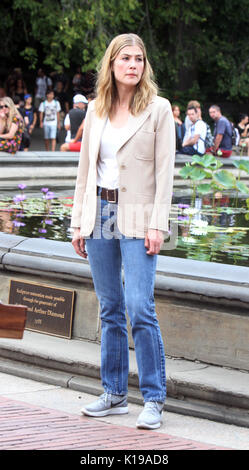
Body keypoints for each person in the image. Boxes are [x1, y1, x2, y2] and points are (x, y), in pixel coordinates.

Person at [71, 33, 175, 430]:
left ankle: (153, 398)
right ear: (112, 64)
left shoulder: (159, 109)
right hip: (99, 211)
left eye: (139, 59)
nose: (133, 64)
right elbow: (85, 171)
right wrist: (78, 222)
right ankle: (114, 394)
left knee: (140, 308)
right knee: (110, 307)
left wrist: (158, 225)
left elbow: (166, 173)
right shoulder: (96, 109)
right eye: (125, 58)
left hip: (138, 213)